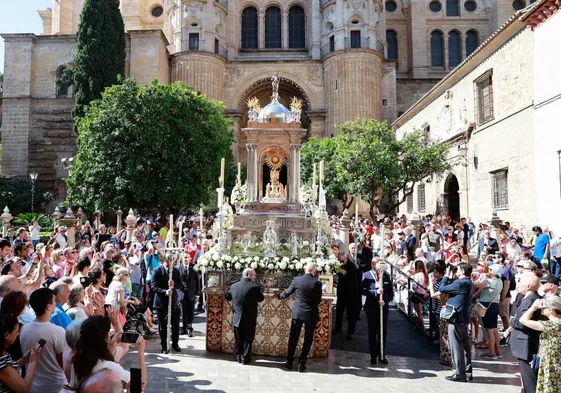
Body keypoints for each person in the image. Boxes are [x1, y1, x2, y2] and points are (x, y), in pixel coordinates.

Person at [66, 316, 146, 393]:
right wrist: (141, 351)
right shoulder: (108, 367)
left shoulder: (77, 359)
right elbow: (139, 385)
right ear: (105, 337)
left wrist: (110, 349)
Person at [19, 288, 68, 393]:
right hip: (56, 386)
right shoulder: (58, 331)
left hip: (32, 385)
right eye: (54, 301)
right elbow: (62, 363)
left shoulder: (23, 328)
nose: (55, 303)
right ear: (48, 306)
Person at [278, 263, 322, 373]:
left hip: (298, 312)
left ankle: (289, 361)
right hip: (310, 314)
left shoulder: (297, 280)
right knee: (308, 338)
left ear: (304, 269)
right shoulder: (317, 283)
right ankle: (302, 363)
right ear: (314, 271)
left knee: (294, 337)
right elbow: (318, 300)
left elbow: (287, 293)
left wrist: (279, 295)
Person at [438, 262, 474, 382]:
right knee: (464, 346)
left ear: (462, 271)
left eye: (457, 269)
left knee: (456, 346)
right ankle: (467, 371)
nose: (456, 271)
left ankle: (460, 373)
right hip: (463, 317)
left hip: (455, 318)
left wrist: (446, 276)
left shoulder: (461, 282)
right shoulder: (468, 282)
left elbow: (442, 288)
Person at [519, 295, 561, 393]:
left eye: (544, 307)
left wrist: (533, 307)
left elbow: (523, 320)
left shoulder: (553, 324)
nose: (541, 309)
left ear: (551, 310)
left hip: (551, 363)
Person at [224, 268, 264, 364]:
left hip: (237, 317)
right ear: (249, 275)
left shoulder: (234, 286)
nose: (255, 277)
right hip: (249, 318)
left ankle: (239, 356)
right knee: (248, 339)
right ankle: (245, 358)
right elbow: (261, 298)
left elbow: (227, 297)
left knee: (239, 339)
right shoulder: (254, 287)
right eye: (254, 275)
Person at [510, 274, 542, 393]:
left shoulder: (531, 300)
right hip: (524, 343)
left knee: (529, 379)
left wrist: (512, 320)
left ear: (528, 286)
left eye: (520, 282)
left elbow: (523, 322)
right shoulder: (529, 298)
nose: (518, 284)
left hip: (526, 344)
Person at [362, 257, 393, 365]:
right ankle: (373, 355)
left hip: (383, 308)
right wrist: (375, 292)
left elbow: (390, 292)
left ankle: (382, 354)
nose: (379, 267)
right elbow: (363, 290)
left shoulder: (386, 276)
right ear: (372, 264)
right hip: (371, 308)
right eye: (376, 264)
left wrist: (385, 300)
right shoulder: (366, 275)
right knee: (372, 332)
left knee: (382, 332)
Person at [0, 314, 42, 393]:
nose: (18, 334)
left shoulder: (3, 354)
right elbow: (24, 389)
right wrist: (33, 363)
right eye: (16, 332)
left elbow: (9, 372)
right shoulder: (2, 362)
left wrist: (24, 360)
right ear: (7, 335)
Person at [150, 253, 183, 353]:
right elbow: (153, 286)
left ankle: (175, 344)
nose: (173, 262)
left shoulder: (176, 271)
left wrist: (174, 286)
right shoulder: (157, 271)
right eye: (171, 260)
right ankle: (164, 345)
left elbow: (180, 284)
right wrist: (165, 291)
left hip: (174, 302)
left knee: (175, 325)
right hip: (161, 303)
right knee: (162, 326)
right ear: (166, 260)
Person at [473, 264, 503, 360]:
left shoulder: (489, 281)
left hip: (486, 305)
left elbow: (475, 284)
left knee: (489, 329)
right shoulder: (500, 281)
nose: (488, 271)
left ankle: (492, 352)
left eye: (490, 270)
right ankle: (497, 351)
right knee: (494, 329)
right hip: (494, 305)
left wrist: (472, 277)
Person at [333, 251, 359, 341]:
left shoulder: (351, 266)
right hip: (341, 292)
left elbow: (346, 274)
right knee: (339, 311)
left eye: (339, 257)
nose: (338, 259)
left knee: (351, 314)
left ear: (344, 257)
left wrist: (339, 269)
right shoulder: (339, 264)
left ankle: (350, 333)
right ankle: (338, 328)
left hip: (351, 293)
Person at [179, 253, 200, 337]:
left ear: (190, 258)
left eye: (187, 257)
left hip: (191, 293)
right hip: (182, 293)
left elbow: (197, 281)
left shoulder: (193, 268)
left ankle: (189, 327)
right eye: (184, 257)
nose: (186, 259)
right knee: (183, 311)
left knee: (190, 311)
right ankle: (184, 327)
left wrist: (198, 293)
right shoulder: (179, 267)